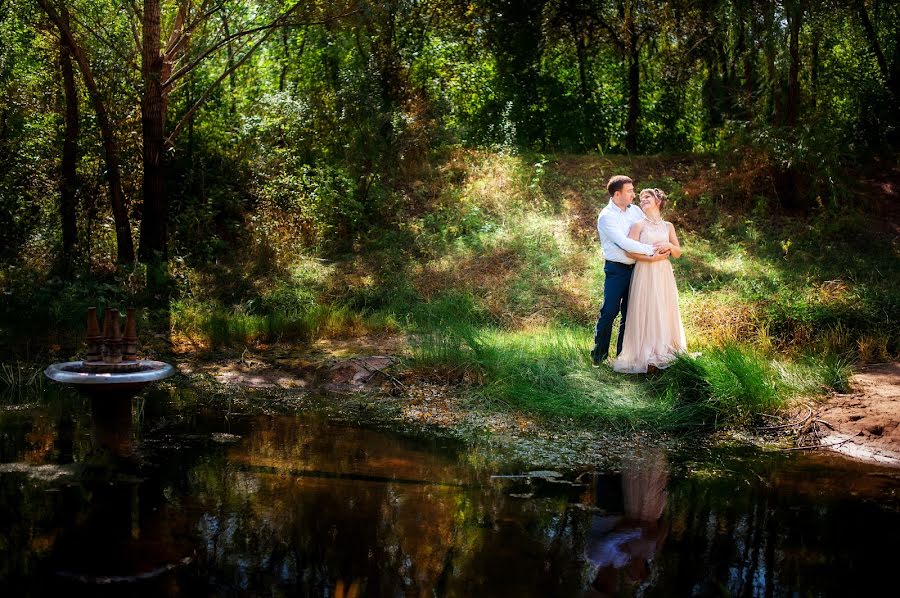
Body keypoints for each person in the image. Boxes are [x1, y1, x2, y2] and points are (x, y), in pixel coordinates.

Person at [591, 176, 669, 367]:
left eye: (633, 190)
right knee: (609, 311)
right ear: (617, 194)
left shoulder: (635, 211)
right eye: (630, 191)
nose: (634, 195)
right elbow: (624, 243)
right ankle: (598, 356)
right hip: (616, 269)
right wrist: (653, 251)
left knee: (630, 313)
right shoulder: (606, 216)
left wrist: (664, 242)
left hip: (637, 269)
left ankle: (622, 356)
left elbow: (650, 227)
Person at [612, 188, 687, 373]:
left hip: (663, 273)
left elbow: (677, 253)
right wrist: (651, 259)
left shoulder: (668, 226)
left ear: (658, 201)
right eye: (641, 197)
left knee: (663, 307)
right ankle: (645, 353)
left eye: (648, 197)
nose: (642, 199)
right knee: (647, 308)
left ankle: (663, 349)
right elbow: (630, 251)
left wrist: (669, 245)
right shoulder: (638, 225)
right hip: (645, 271)